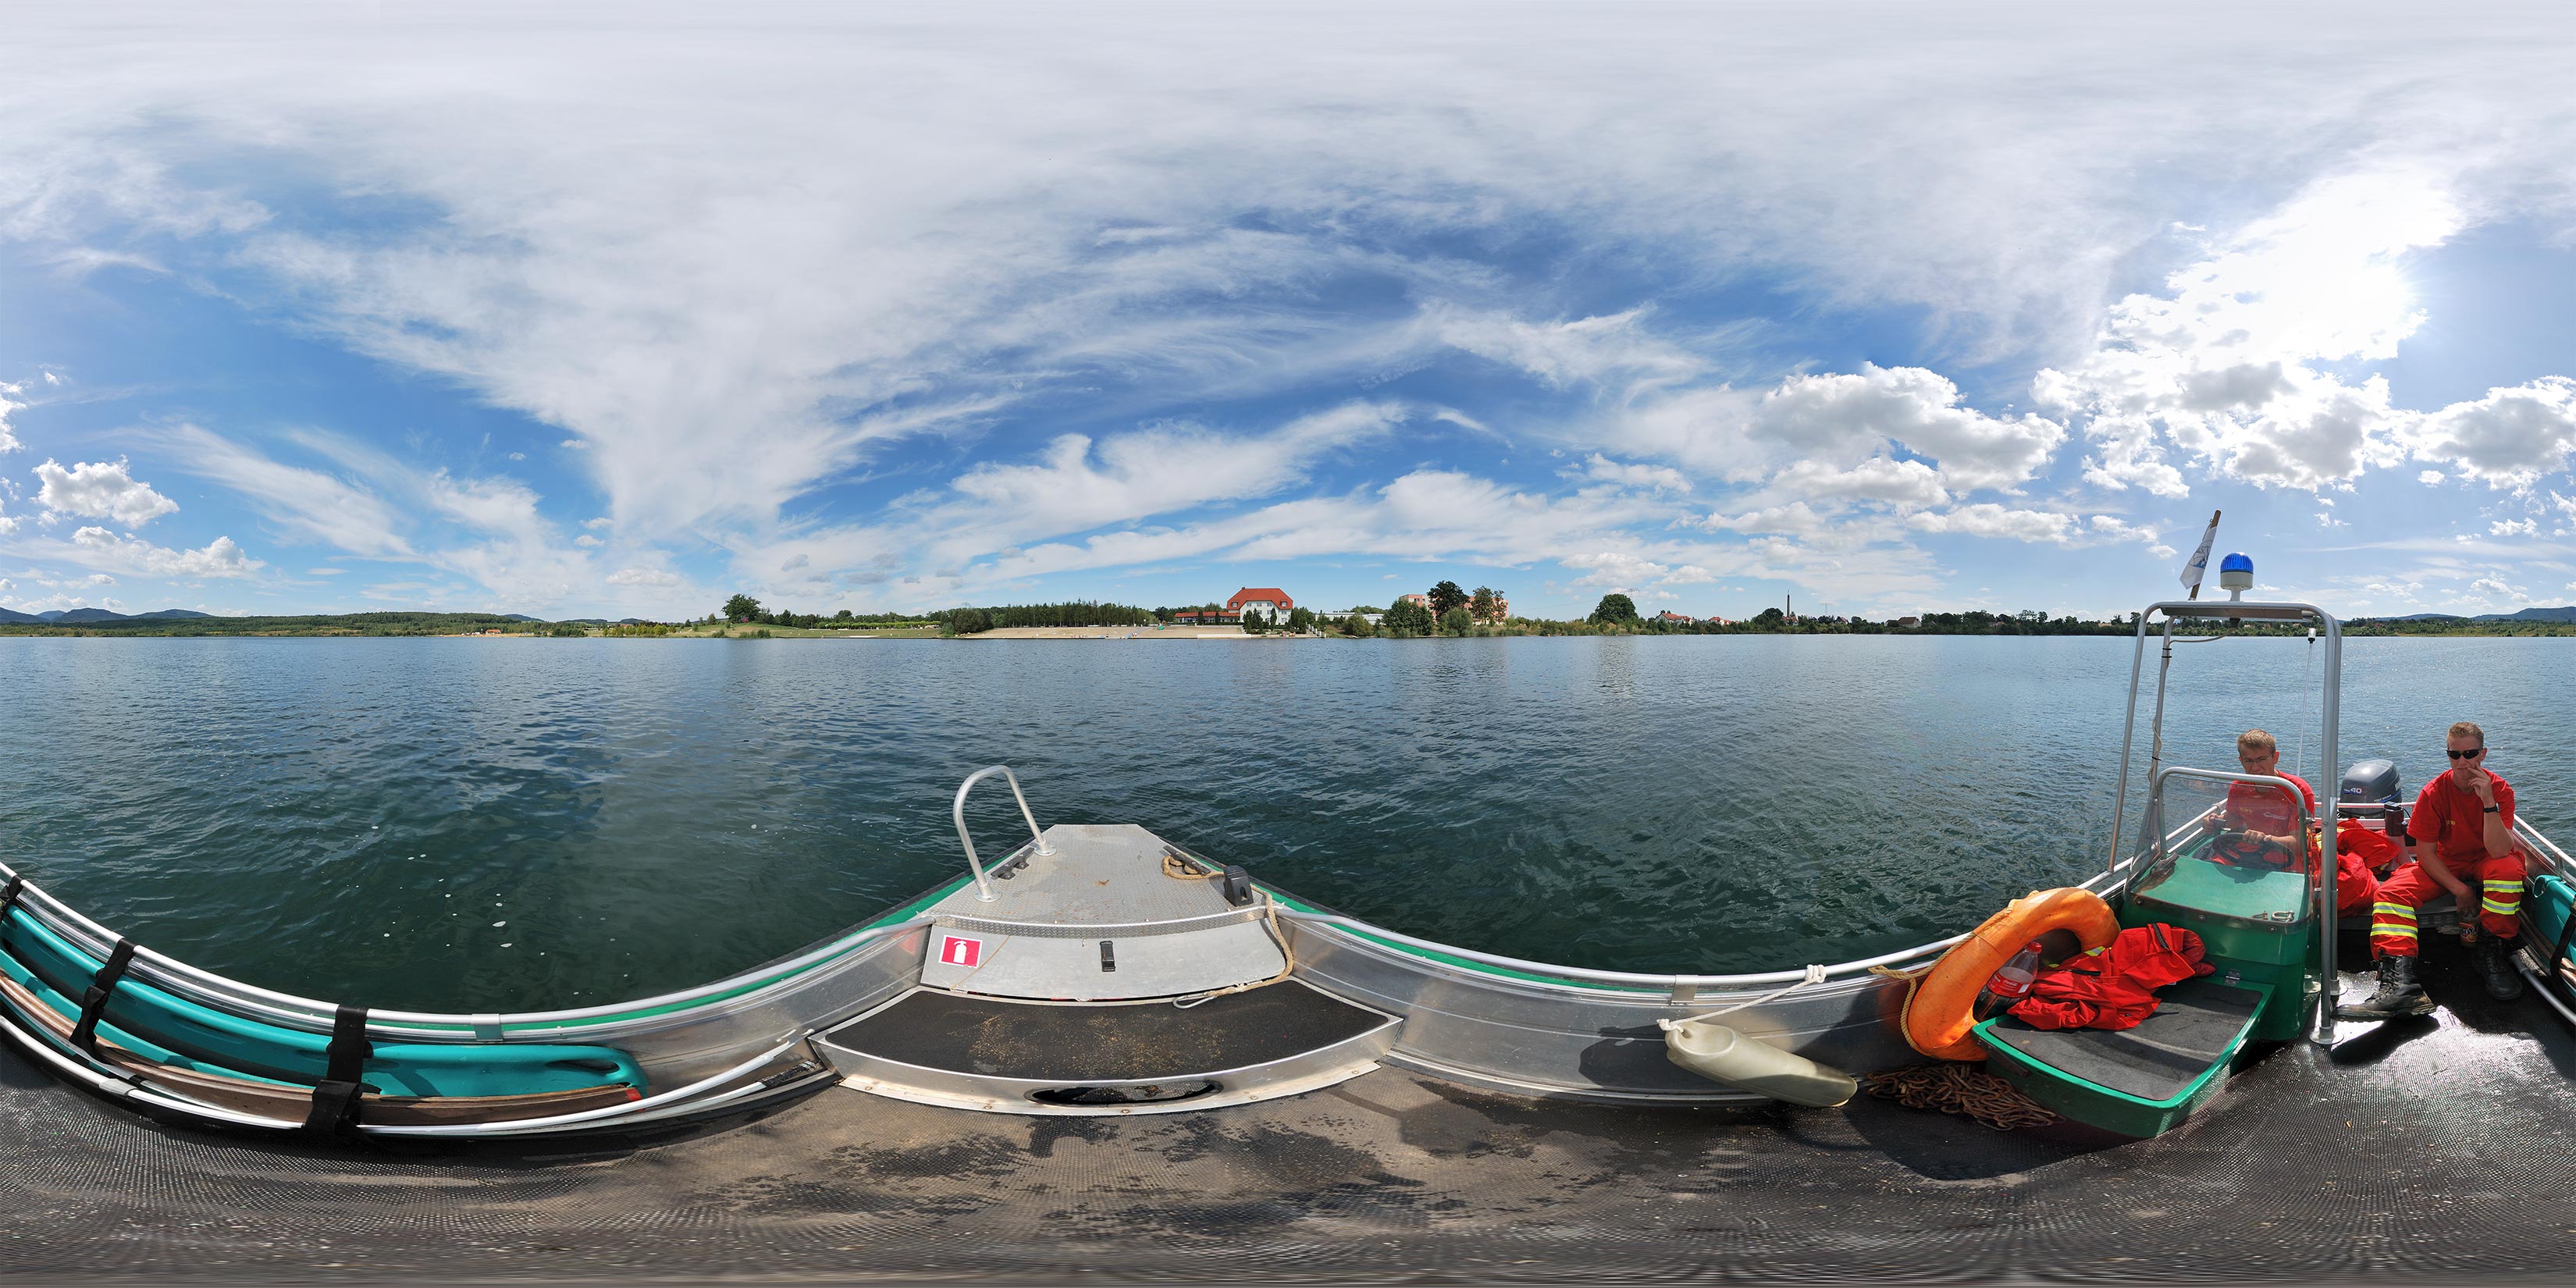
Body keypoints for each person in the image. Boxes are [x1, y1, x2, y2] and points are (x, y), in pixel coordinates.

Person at [2341, 720, 2526, 1019]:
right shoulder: (2434, 792)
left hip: (2487, 857)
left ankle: (2490, 952)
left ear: (2483, 754)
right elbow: (2426, 854)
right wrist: (2460, 890)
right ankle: (2400, 986)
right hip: (2446, 860)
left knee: (2508, 871)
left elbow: (2499, 851)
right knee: (2390, 893)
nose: (2463, 762)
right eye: (2455, 754)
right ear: (2448, 754)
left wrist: (2488, 802)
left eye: (2470, 754)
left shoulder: (2500, 790)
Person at [2205, 730, 2376, 920]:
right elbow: (2233, 819)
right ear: (2241, 761)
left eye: (2261, 759)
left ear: (2275, 757)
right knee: (2209, 879)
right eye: (2249, 761)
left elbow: (2299, 843)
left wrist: (2265, 839)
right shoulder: (2239, 786)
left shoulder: (2297, 791)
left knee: (2287, 898)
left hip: (2289, 855)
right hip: (2251, 848)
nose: (2255, 768)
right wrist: (2213, 822)